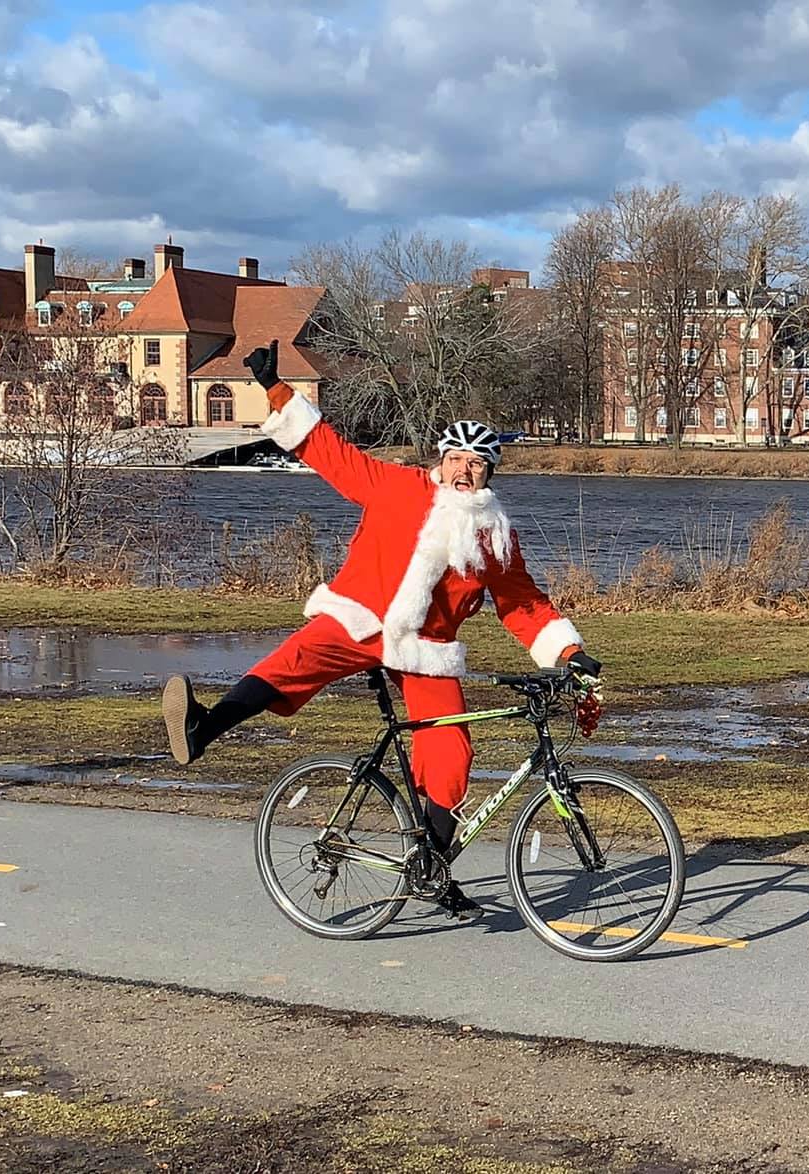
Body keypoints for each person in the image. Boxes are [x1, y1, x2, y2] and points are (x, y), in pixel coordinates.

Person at [160, 339, 599, 916]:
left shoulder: (496, 535)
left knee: (450, 755)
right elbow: (332, 454)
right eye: (455, 459)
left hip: (425, 650)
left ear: (490, 472)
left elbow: (522, 604)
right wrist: (276, 389)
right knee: (292, 663)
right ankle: (202, 728)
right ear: (440, 460)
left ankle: (432, 868)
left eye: (476, 463)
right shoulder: (395, 486)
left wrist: (568, 652)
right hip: (360, 620)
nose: (463, 470)